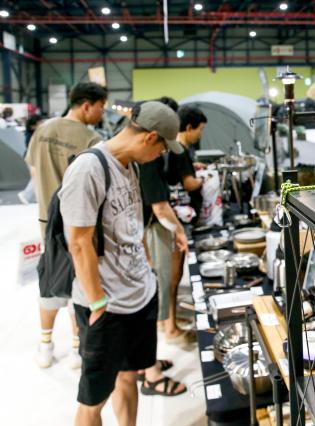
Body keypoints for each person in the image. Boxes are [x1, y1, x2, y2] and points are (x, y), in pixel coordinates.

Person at [59, 101, 186, 425]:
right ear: (150, 137)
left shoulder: (130, 166)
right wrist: (99, 303)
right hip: (108, 307)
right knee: (93, 401)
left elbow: (130, 223)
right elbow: (78, 242)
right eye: (162, 148)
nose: (161, 156)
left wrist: (146, 267)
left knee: (129, 377)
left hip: (138, 297)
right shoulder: (89, 168)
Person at [25, 82, 107, 368]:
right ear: (87, 105)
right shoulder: (91, 139)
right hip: (79, 223)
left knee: (48, 284)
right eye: (100, 107)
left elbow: (33, 172)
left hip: (46, 221)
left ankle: (45, 345)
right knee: (79, 284)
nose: (102, 113)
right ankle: (76, 349)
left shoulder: (43, 130)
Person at [139, 96, 193, 347]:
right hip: (151, 224)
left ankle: (167, 323)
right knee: (165, 277)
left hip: (146, 225)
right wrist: (179, 231)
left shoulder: (147, 154)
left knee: (164, 277)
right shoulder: (147, 159)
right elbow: (159, 207)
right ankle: (168, 327)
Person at [167, 105, 209, 219]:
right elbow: (189, 184)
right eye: (200, 129)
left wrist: (192, 166)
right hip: (185, 213)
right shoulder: (180, 151)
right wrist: (204, 178)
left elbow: (178, 171)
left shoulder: (175, 147)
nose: (201, 134)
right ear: (189, 127)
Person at [18, 114, 46, 205]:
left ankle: (33, 197)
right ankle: (26, 195)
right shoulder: (31, 136)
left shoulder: (35, 134)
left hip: (34, 158)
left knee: (37, 177)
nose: (42, 124)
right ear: (33, 126)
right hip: (32, 158)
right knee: (36, 177)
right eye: (40, 123)